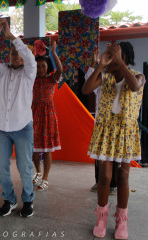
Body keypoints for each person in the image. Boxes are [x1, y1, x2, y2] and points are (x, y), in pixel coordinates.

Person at [82, 42, 145, 240]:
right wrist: (100, 65)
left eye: (113, 56)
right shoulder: (105, 77)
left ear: (124, 57)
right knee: (104, 177)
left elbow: (134, 87)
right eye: (108, 55)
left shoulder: (138, 76)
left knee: (123, 177)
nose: (109, 58)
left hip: (125, 132)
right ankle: (101, 218)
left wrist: (120, 63)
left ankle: (121, 221)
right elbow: (85, 90)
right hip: (107, 131)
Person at [0, 17, 36, 217]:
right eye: (12, 53)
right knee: (2, 168)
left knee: (24, 168)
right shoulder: (3, 70)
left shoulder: (30, 72)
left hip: (23, 128)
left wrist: (11, 36)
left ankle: (28, 200)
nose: (15, 56)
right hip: (3, 129)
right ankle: (9, 199)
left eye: (18, 53)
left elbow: (29, 58)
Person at [31, 40, 62, 191]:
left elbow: (60, 70)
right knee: (34, 148)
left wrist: (53, 53)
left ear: (47, 66)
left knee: (47, 148)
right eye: (38, 66)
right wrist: (31, 56)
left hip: (48, 115)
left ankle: (45, 178)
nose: (41, 69)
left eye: (43, 66)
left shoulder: (52, 79)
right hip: (34, 114)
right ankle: (38, 172)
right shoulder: (32, 79)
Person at [87, 49, 117, 195]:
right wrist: (95, 64)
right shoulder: (100, 80)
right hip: (100, 127)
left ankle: (112, 184)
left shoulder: (119, 79)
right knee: (100, 158)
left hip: (116, 127)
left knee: (114, 158)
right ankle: (99, 182)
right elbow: (87, 84)